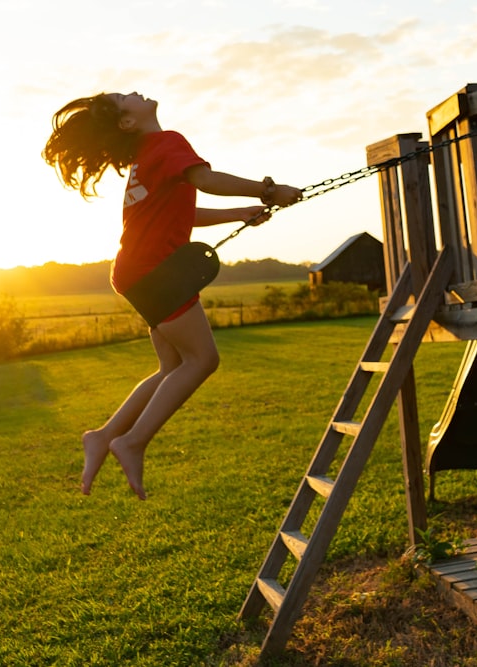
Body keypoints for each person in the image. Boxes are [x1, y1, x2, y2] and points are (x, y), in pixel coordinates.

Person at [42, 92, 301, 500]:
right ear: (127, 122)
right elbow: (206, 181)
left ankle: (103, 435)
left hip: (137, 271)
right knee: (202, 359)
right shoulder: (167, 143)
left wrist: (239, 213)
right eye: (125, 97)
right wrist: (267, 190)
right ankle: (131, 442)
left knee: (172, 366)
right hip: (153, 272)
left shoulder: (146, 158)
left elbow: (183, 212)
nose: (135, 92)